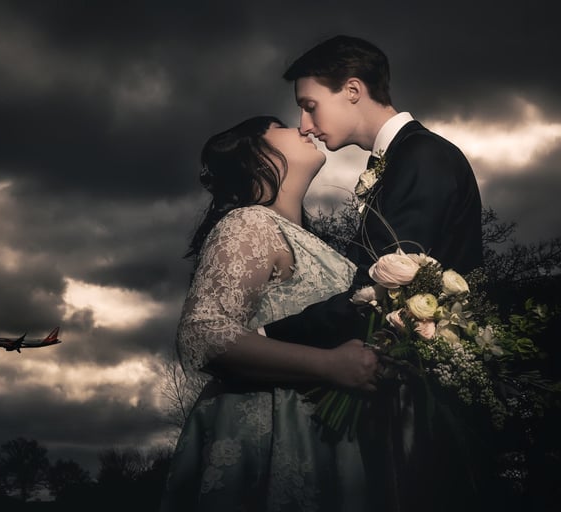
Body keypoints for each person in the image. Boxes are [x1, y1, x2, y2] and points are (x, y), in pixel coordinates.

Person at [262, 36, 487, 512]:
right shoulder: (402, 159)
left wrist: (265, 337)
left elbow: (380, 289)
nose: (305, 126)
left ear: (351, 90)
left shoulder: (422, 156)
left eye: (309, 106)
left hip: (420, 401)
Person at [159, 115, 379, 512]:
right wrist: (330, 365)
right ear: (258, 153)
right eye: (280, 124)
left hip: (327, 436)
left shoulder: (311, 241)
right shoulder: (249, 223)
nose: (305, 127)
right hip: (269, 432)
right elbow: (202, 334)